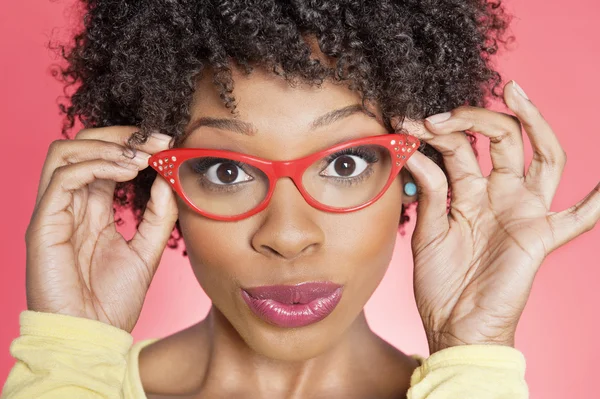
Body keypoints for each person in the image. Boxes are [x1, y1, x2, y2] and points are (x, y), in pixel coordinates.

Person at [2, 1, 599, 398]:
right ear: (161, 185)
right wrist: (70, 351)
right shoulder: (72, 382)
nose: (287, 235)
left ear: (416, 172)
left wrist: (474, 355)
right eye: (226, 170)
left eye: (346, 162)